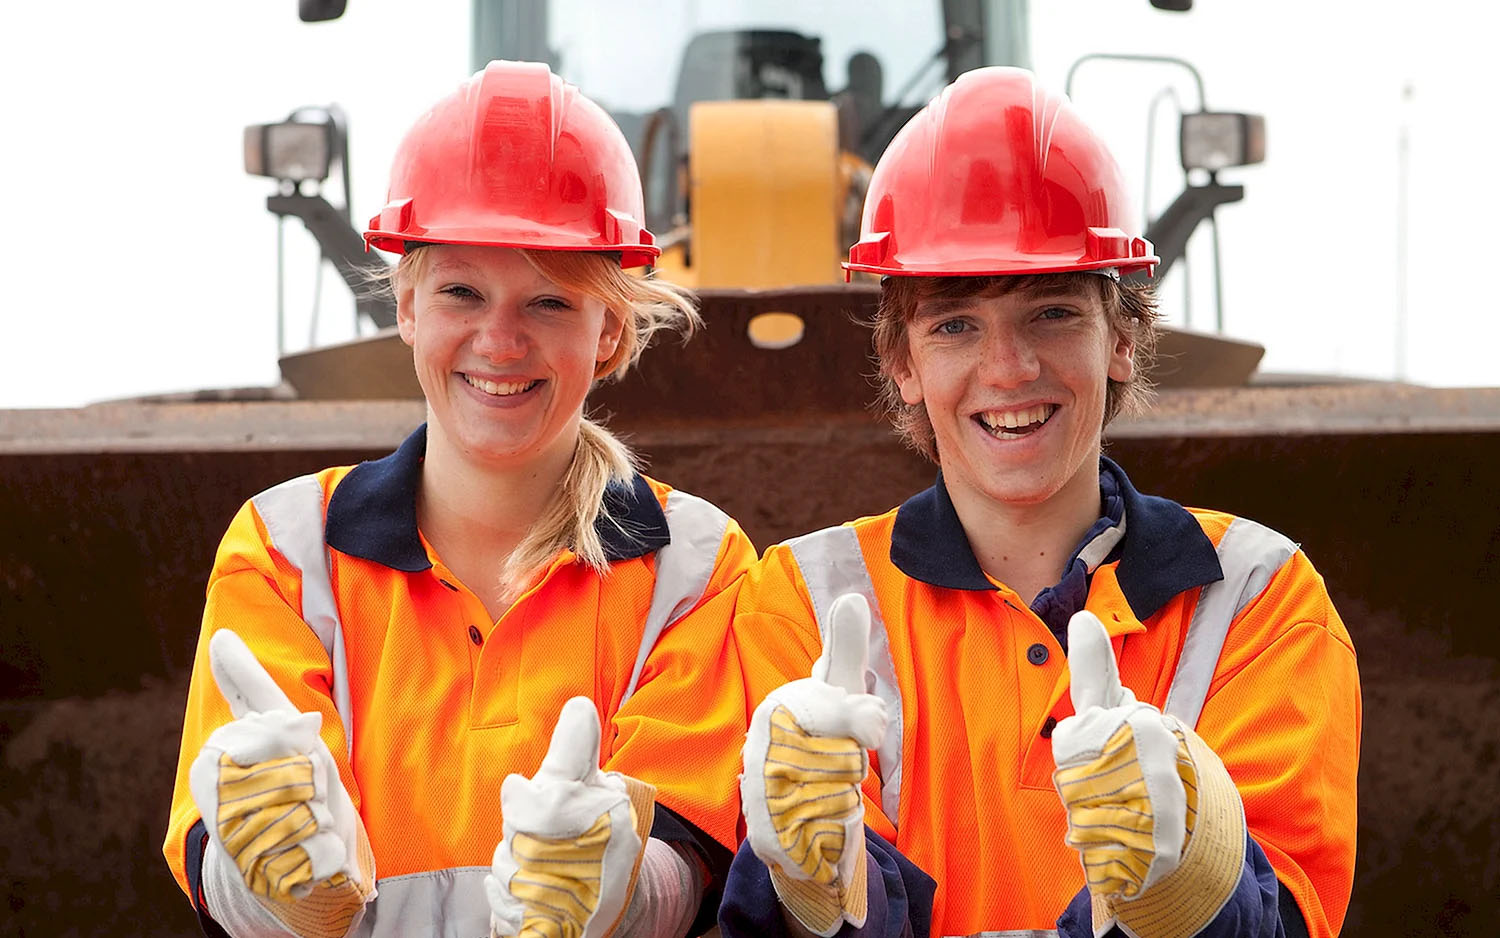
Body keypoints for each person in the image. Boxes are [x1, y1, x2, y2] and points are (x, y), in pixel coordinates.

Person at [721, 67, 1360, 938]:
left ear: (1123, 339)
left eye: (1052, 313)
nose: (1010, 368)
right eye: (954, 324)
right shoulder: (795, 600)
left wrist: (1187, 878)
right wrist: (813, 885)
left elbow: (1289, 919)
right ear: (902, 363)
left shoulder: (1262, 599)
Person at [163, 61, 756, 938]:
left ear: (612, 331)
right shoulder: (284, 550)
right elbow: (225, 873)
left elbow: (695, 863)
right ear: (405, 305)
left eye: (551, 301)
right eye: (461, 292)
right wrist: (272, 874)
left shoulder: (695, 565)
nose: (500, 340)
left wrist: (614, 891)